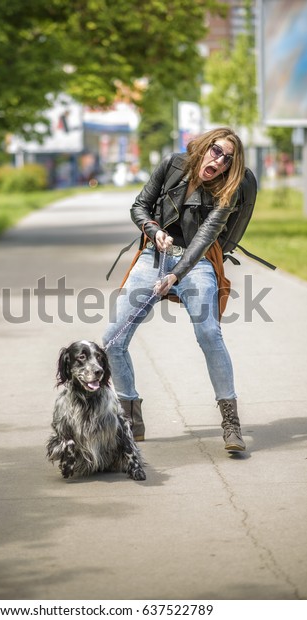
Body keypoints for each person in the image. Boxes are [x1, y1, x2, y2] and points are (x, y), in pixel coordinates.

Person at [103, 127, 247, 452]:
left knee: (210, 333)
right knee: (112, 339)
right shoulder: (172, 164)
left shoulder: (228, 192)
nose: (220, 160)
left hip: (197, 261)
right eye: (216, 150)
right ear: (205, 146)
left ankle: (231, 422)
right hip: (155, 252)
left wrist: (176, 275)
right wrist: (154, 232)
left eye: (228, 158)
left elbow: (202, 241)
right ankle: (130, 418)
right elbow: (139, 206)